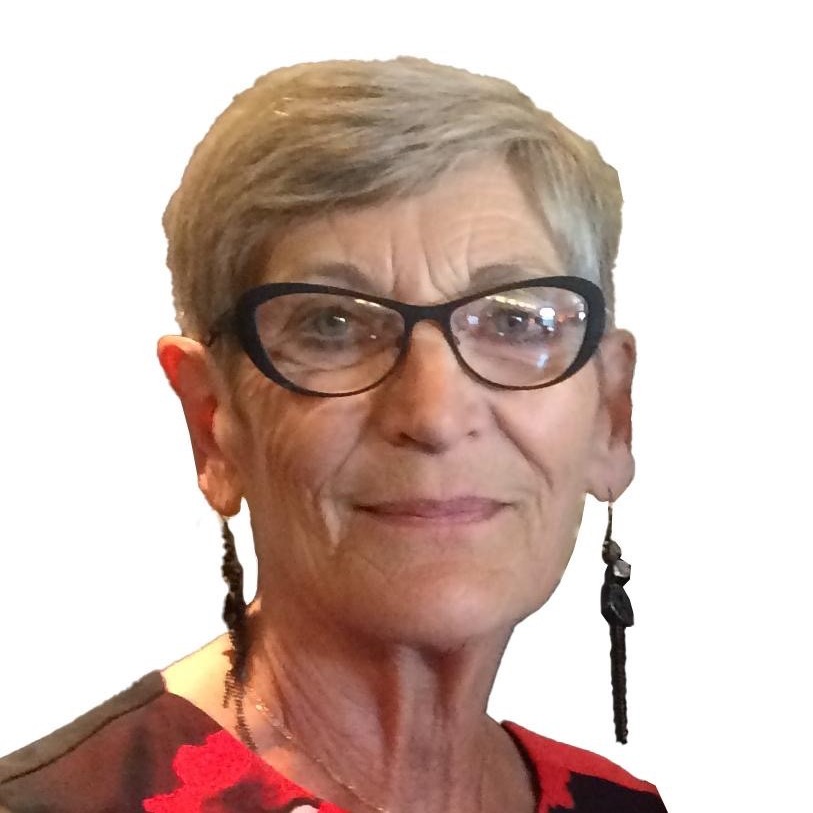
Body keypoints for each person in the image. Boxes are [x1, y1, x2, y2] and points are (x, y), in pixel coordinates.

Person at [0, 57, 667, 812]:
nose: (434, 414)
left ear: (611, 415)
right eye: (333, 325)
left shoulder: (620, 804)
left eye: (515, 321)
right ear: (213, 423)